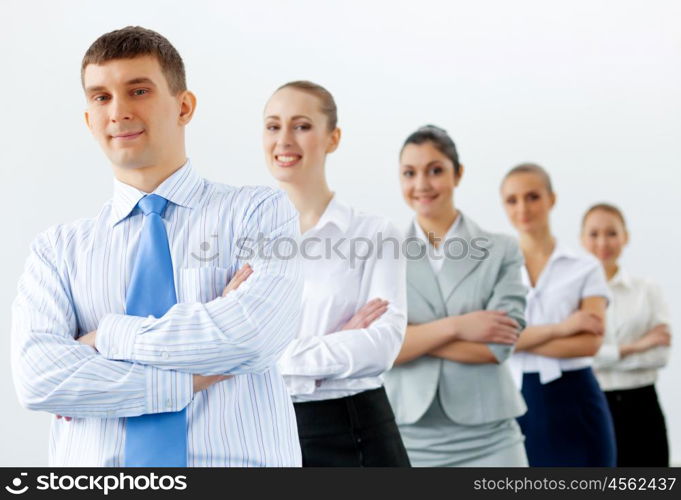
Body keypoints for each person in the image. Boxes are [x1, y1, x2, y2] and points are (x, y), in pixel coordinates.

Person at [10, 26, 303, 467]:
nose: (118, 111)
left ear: (184, 106)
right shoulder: (57, 250)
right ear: (88, 119)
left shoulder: (258, 212)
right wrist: (197, 376)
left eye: (139, 90)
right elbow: (40, 379)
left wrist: (105, 337)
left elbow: (255, 336)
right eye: (101, 97)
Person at [262, 81, 410, 466]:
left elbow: (382, 345)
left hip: (354, 430)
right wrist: (338, 343)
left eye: (302, 126)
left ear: (333, 138)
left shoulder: (375, 233)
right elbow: (224, 350)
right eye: (273, 126)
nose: (284, 140)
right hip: (263, 430)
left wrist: (275, 358)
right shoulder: (243, 242)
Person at [384, 125, 528, 467]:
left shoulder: (501, 250)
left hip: (490, 436)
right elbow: (381, 348)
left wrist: (412, 337)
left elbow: (498, 346)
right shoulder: (383, 253)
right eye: (409, 173)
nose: (421, 185)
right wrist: (460, 326)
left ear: (458, 174)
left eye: (435, 170)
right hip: (408, 434)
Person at [500, 163, 616, 466]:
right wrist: (564, 328)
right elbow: (494, 341)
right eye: (512, 200)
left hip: (576, 398)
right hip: (517, 399)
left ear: (552, 199)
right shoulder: (498, 269)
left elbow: (589, 344)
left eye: (533, 197)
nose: (522, 207)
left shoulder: (585, 266)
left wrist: (518, 338)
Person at [582, 203, 671, 466]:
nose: (603, 242)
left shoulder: (647, 290)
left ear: (625, 237)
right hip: (595, 402)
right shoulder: (574, 295)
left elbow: (660, 355)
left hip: (642, 403)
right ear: (582, 239)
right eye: (594, 233)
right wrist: (637, 345)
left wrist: (604, 355)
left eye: (612, 233)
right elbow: (582, 356)